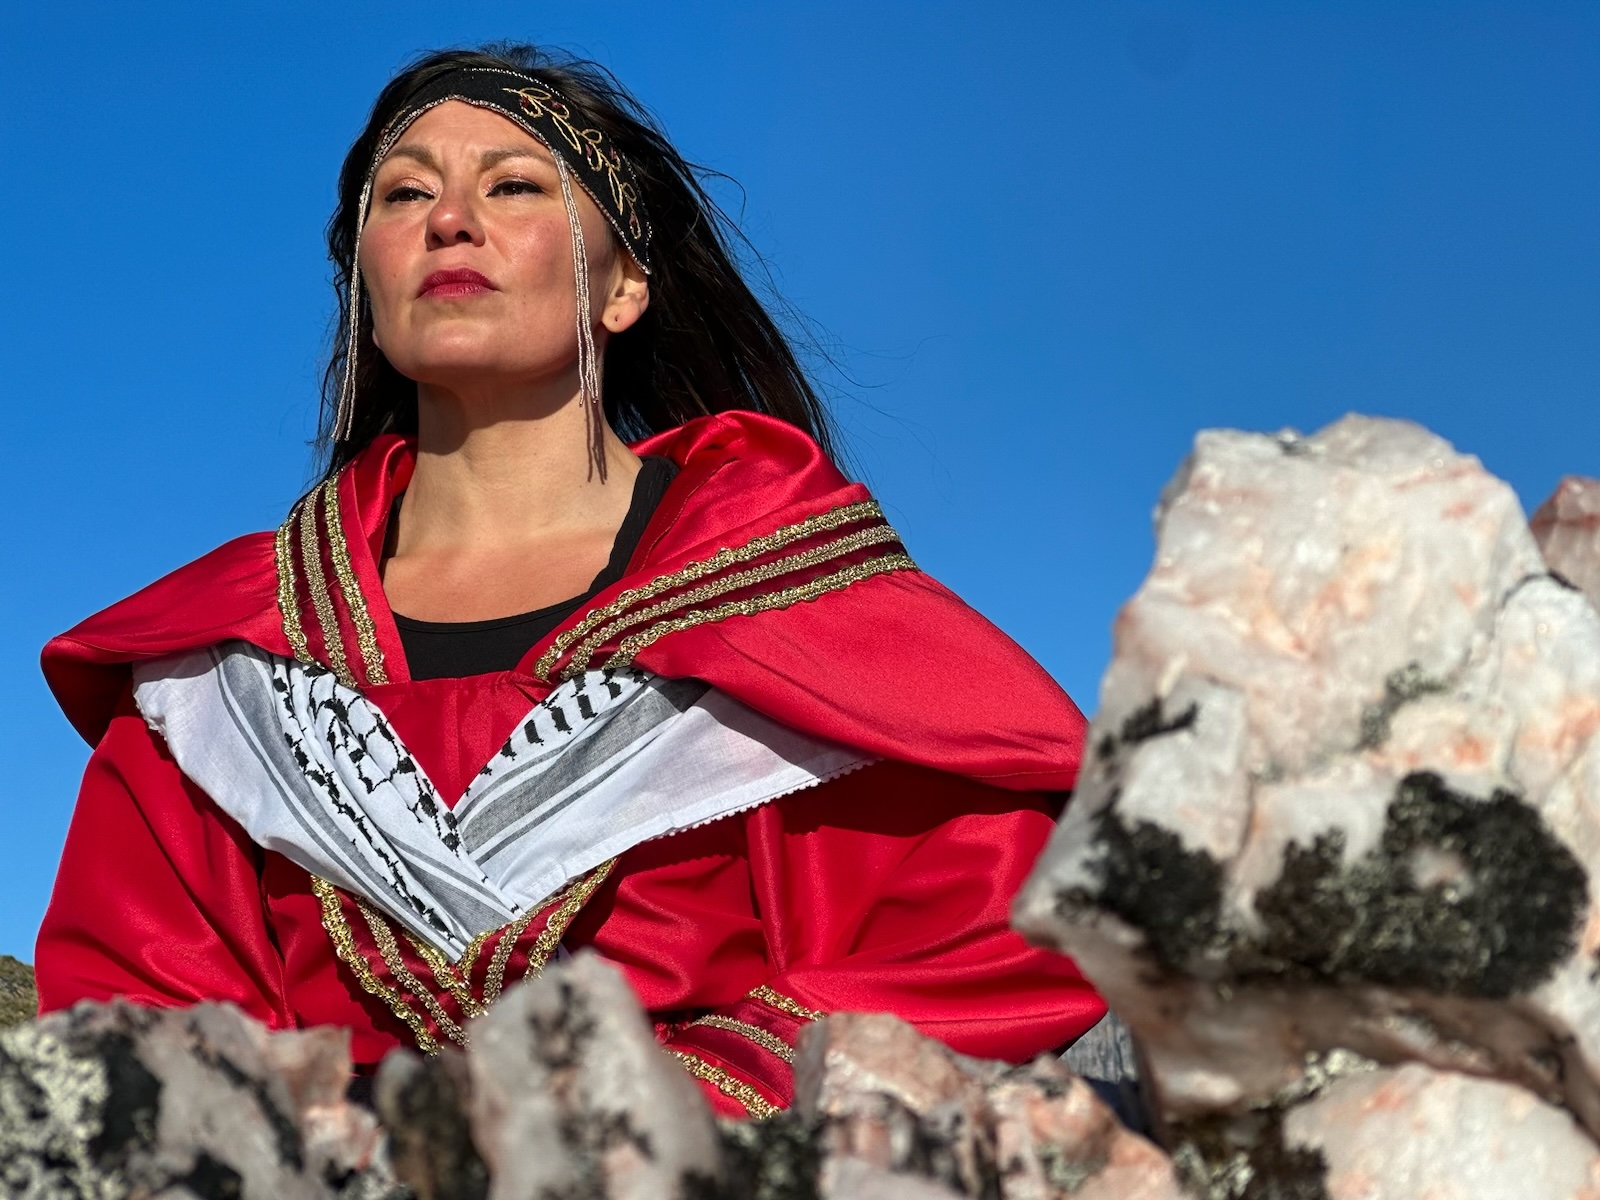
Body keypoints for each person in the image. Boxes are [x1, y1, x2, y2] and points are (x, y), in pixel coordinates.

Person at [35, 44, 1103, 1118]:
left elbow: (985, 932)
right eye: (404, 194)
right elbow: (138, 1011)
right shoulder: (221, 675)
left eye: (513, 185)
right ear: (365, 277)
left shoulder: (797, 609)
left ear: (625, 285)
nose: (450, 220)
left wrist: (662, 1118)